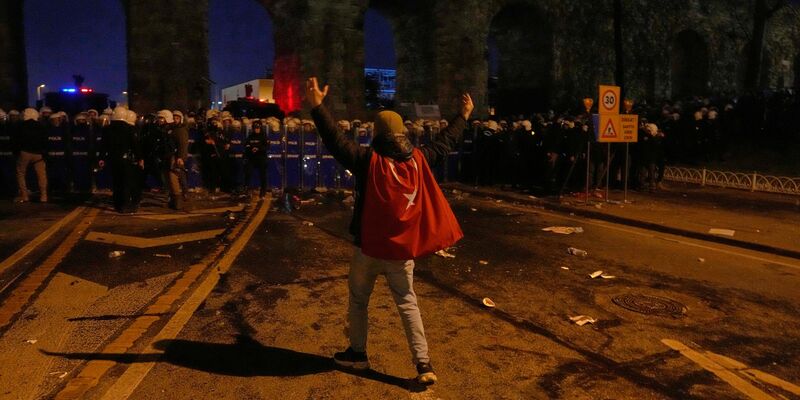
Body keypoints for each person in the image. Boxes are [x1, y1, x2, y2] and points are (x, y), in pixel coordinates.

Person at [307, 76, 474, 385]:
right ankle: (423, 364)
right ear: (402, 132)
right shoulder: (419, 159)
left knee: (359, 300)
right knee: (407, 302)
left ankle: (358, 355)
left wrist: (317, 106)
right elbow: (446, 142)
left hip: (368, 247)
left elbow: (335, 140)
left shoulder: (367, 160)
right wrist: (463, 116)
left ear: (377, 132)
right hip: (402, 252)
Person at [99, 107, 143, 213]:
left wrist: (101, 158)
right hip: (125, 160)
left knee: (116, 182)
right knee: (125, 183)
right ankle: (125, 204)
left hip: (113, 159)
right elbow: (134, 145)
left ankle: (117, 204)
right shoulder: (129, 128)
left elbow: (103, 145)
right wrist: (140, 157)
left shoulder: (107, 129)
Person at [13, 108, 48, 203]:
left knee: (21, 173)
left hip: (25, 152)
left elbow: (16, 140)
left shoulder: (20, 126)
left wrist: (16, 152)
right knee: (41, 175)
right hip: (38, 154)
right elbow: (45, 141)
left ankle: (24, 196)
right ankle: (44, 196)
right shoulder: (41, 126)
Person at [243, 120, 268, 198]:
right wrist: (251, 149)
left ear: (260, 128)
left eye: (258, 128)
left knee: (263, 175)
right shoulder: (250, 136)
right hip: (252, 158)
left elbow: (267, 147)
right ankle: (248, 190)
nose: (256, 129)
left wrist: (258, 149)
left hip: (261, 158)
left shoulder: (264, 136)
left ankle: (263, 191)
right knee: (248, 173)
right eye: (255, 128)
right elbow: (246, 145)